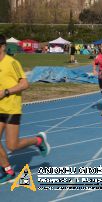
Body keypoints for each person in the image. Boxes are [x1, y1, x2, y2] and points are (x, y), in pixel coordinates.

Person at [0, 34, 50, 184]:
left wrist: (6, 92)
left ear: (2, 47)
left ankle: (38, 140)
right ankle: (8, 169)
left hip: (11, 108)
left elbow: (25, 84)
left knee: (12, 145)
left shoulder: (11, 63)